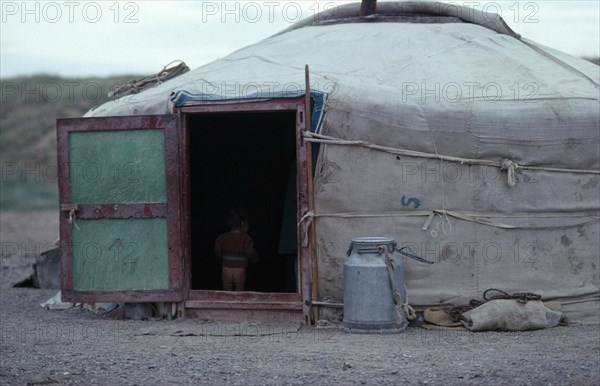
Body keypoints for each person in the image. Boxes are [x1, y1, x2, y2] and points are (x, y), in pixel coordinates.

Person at [214, 209, 259, 291]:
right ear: (242, 223)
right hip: (240, 269)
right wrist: (255, 258)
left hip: (226, 268)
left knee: (226, 292)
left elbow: (217, 250)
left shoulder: (222, 238)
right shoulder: (246, 238)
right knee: (239, 292)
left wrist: (222, 259)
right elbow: (250, 252)